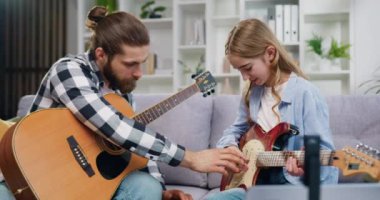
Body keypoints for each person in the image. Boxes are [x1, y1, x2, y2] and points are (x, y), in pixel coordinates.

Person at [0, 6, 249, 200]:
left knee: (146, 187)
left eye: (142, 62)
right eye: (131, 64)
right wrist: (190, 158)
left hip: (79, 182)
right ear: (101, 55)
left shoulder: (121, 94)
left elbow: (134, 142)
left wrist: (162, 190)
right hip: (29, 171)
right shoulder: (68, 70)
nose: (140, 73)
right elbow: (114, 126)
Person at [205, 19, 339, 200]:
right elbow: (235, 130)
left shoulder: (306, 94)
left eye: (247, 68)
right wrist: (230, 147)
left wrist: (304, 170)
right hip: (253, 183)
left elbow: (325, 157)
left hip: (290, 188)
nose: (245, 77)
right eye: (239, 71)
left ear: (270, 53)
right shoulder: (252, 92)